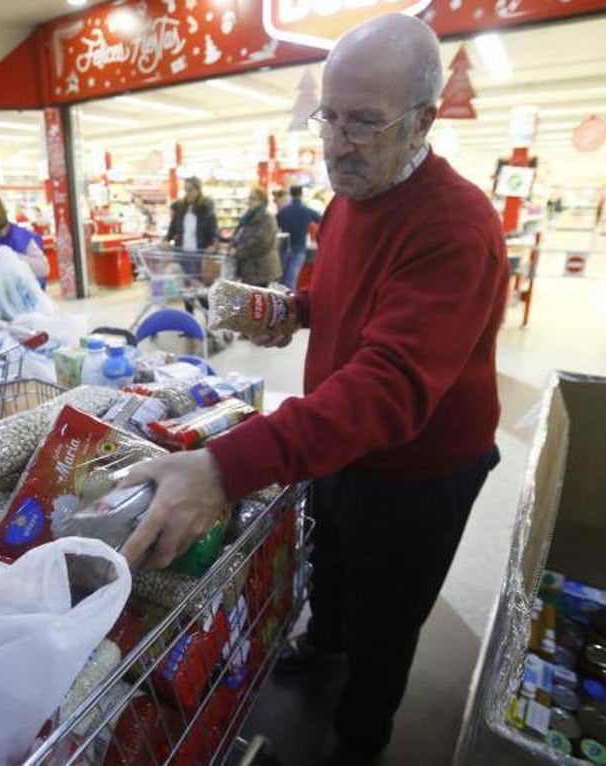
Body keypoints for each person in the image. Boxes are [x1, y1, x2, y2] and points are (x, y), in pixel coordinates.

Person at [120, 14, 508, 765]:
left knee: (387, 618)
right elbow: (341, 297)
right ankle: (320, 643)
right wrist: (293, 312)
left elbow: (390, 383)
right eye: (329, 116)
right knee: (328, 561)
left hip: (420, 469)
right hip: (337, 445)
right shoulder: (348, 199)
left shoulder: (456, 227)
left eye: (364, 122)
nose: (336, 142)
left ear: (423, 121)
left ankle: (362, 736)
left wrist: (224, 467)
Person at [165, 176, 218, 276]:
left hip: (199, 254)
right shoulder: (180, 208)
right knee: (181, 282)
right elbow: (173, 228)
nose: (188, 193)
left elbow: (213, 231)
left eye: (191, 190)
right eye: (186, 190)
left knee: (197, 282)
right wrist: (166, 239)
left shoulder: (207, 209)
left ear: (198, 190)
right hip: (181, 252)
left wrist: (213, 245)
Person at [275, 185, 322, 291]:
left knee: (281, 279)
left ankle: (280, 300)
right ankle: (289, 303)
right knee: (291, 280)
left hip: (284, 247)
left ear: (290, 194)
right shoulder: (307, 210)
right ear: (301, 194)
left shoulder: (283, 211)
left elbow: (275, 226)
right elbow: (322, 220)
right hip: (299, 247)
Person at [231, 186, 281, 286]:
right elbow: (239, 235)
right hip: (249, 270)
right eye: (249, 198)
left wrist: (238, 252)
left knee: (257, 300)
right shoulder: (247, 217)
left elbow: (261, 243)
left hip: (261, 271)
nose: (250, 201)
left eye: (253, 199)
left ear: (262, 201)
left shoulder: (267, 218)